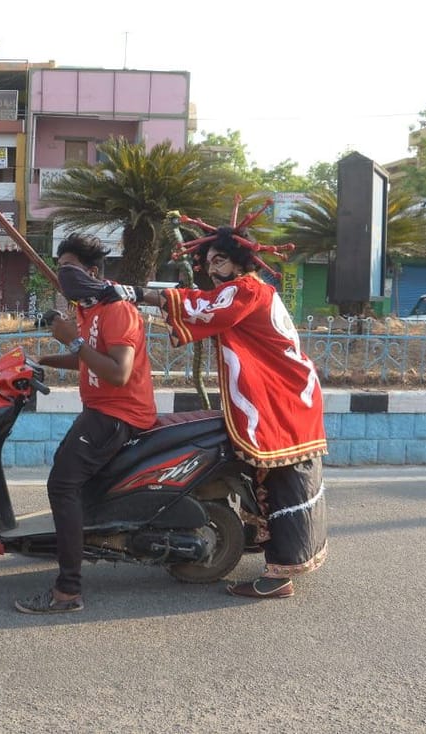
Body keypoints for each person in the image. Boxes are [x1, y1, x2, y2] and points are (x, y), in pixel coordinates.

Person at [113, 225, 328, 600]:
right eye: (210, 262)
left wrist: (137, 294)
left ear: (239, 261)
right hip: (289, 394)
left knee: (283, 481)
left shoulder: (245, 290)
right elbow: (205, 305)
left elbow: (201, 307)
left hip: (282, 398)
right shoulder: (253, 290)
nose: (213, 270)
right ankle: (273, 549)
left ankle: (281, 575)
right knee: (272, 476)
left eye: (220, 261)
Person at [14, 233, 157, 614]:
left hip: (118, 414)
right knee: (72, 482)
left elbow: (118, 373)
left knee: (61, 485)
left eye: (71, 269)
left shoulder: (117, 309)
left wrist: (72, 342)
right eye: (60, 269)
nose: (64, 277)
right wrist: (42, 360)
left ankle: (67, 592)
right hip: (99, 410)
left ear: (93, 272)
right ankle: (75, 545)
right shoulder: (88, 308)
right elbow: (87, 358)